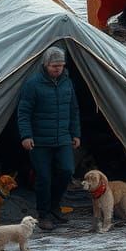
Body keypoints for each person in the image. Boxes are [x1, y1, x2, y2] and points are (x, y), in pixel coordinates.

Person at [17, 47, 81, 232]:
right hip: (39, 140)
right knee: (43, 178)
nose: (58, 69)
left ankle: (54, 206)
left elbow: (74, 110)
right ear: (46, 65)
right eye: (54, 66)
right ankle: (43, 214)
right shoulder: (33, 84)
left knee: (67, 170)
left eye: (61, 65)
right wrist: (26, 136)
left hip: (62, 138)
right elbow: (24, 112)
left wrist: (75, 133)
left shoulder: (67, 83)